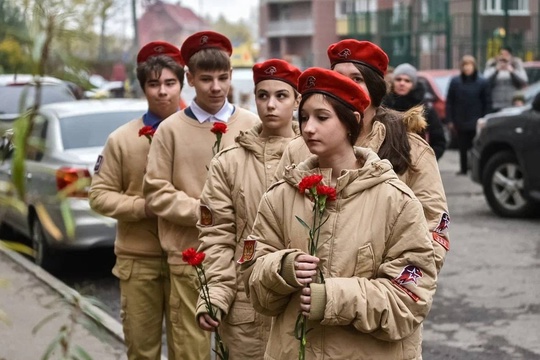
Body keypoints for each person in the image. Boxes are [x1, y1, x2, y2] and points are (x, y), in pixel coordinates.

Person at [241, 67, 437, 359]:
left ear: (351, 122)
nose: (308, 128)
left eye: (322, 118)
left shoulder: (395, 200)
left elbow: (410, 296)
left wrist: (333, 298)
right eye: (304, 117)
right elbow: (251, 277)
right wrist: (281, 268)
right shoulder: (280, 196)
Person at [275, 39, 450, 274]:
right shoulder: (299, 149)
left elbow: (434, 230)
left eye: (357, 79)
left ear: (376, 89)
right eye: (338, 78)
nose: (346, 86)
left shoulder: (412, 150)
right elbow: (272, 225)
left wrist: (390, 288)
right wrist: (285, 269)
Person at [142, 31, 259, 360]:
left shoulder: (251, 125)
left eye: (223, 78)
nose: (216, 87)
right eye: (206, 79)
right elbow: (156, 190)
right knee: (189, 350)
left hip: (242, 258)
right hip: (187, 256)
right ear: (189, 79)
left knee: (242, 346)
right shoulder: (170, 129)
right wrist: (207, 214)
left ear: (231, 76)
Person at [195, 58, 301, 358]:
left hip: (299, 301)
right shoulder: (229, 161)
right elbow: (216, 236)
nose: (271, 105)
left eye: (281, 96)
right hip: (245, 306)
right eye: (263, 96)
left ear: (297, 100)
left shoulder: (315, 157)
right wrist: (214, 295)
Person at [89, 40, 185, 360]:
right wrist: (140, 207)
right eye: (153, 84)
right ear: (143, 88)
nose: (162, 92)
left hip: (189, 256)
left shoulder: (203, 133)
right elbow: (99, 195)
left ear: (182, 84)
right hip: (138, 259)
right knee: (141, 349)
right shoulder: (122, 139)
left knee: (190, 349)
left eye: (170, 83)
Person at [382, 63, 447, 160]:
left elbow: (439, 141)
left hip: (417, 165)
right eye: (398, 79)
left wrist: (427, 160)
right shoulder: (384, 106)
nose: (402, 83)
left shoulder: (425, 108)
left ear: (413, 85)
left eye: (407, 81)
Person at [446, 55, 491, 175]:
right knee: (462, 147)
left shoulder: (482, 82)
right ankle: (464, 168)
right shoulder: (455, 82)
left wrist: (485, 117)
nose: (467, 68)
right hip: (461, 119)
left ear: (474, 66)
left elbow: (487, 102)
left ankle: (477, 169)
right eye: (465, 65)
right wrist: (450, 120)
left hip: (476, 119)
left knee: (476, 147)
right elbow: (450, 101)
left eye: (469, 65)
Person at [483, 46, 528, 112]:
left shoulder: (516, 65)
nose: (503, 57)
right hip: (495, 104)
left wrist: (512, 72)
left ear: (511, 56)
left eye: (506, 55)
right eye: (501, 54)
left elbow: (524, 81)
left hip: (513, 104)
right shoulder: (492, 65)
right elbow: (485, 81)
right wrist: (496, 71)